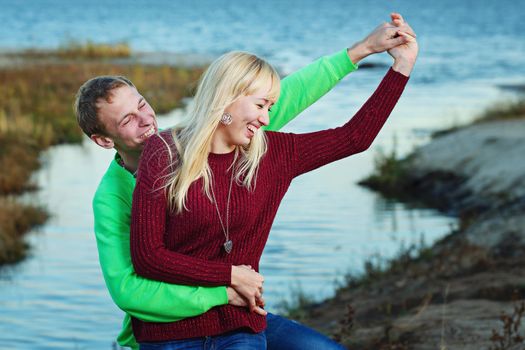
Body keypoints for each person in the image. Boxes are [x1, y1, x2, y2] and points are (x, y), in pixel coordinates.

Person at [75, 13, 415, 349]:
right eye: (127, 121)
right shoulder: (135, 177)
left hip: (238, 317)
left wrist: (363, 52)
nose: (146, 120)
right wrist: (227, 285)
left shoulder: (237, 138)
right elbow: (131, 289)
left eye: (143, 105)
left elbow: (291, 101)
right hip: (169, 327)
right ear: (105, 140)